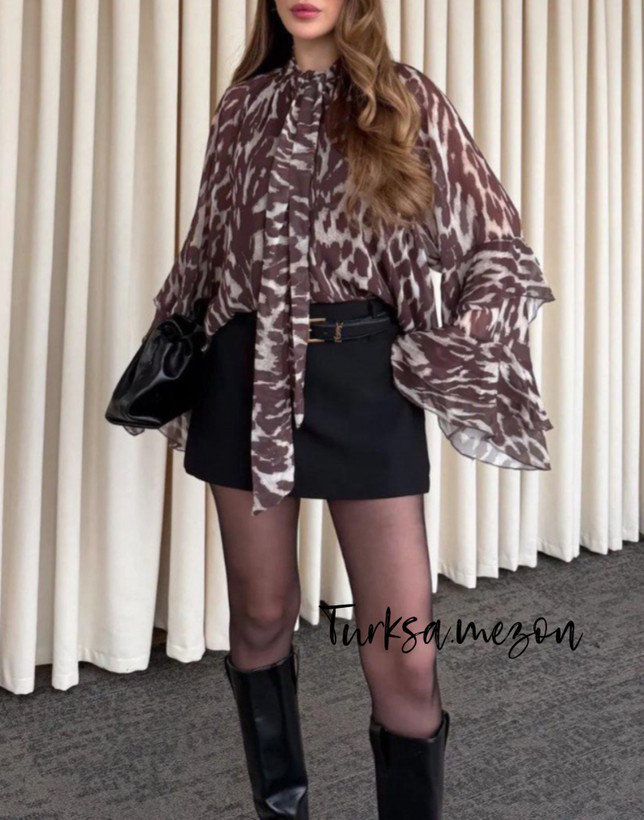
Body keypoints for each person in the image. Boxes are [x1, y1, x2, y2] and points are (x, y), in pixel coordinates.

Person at [128, 1, 556, 817]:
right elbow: (205, 248)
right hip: (245, 375)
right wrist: (165, 354)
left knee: (406, 655)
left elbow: (495, 243)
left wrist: (456, 342)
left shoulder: (404, 99)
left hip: (364, 376)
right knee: (260, 616)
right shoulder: (244, 106)